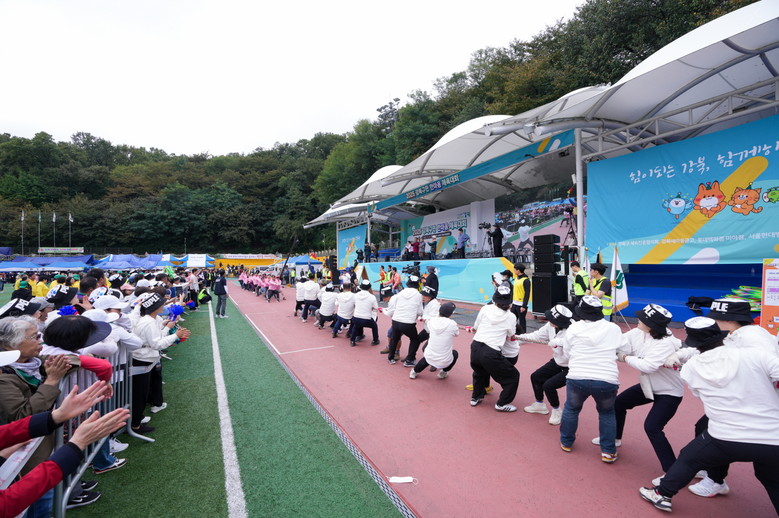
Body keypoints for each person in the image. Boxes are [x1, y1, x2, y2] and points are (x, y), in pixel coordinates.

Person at [639, 316, 779, 514]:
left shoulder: (691, 368)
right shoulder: (755, 354)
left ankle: (662, 494)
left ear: (693, 342)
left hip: (725, 436)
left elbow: (698, 393)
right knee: (772, 479)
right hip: (772, 435)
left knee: (688, 458)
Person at [609, 304, 684, 480]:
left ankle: (671, 472)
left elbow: (648, 366)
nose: (638, 320)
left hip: (668, 392)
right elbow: (619, 342)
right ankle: (615, 439)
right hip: (649, 386)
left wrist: (625, 357)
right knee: (619, 404)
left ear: (651, 325)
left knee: (652, 427)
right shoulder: (638, 332)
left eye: (642, 319)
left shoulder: (666, 343)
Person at [559, 296, 629, 463]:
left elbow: (567, 352)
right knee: (607, 413)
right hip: (606, 378)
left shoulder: (574, 328)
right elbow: (625, 349)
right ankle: (608, 451)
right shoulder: (613, 328)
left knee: (571, 409)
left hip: (577, 376)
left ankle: (566, 442)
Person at [467, 285, 519, 411]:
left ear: (495, 299)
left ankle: (476, 397)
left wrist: (474, 329)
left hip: (475, 347)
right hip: (491, 351)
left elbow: (476, 327)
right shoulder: (510, 316)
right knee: (513, 376)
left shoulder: (485, 308)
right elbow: (511, 335)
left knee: (479, 372)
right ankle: (502, 404)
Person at [520, 304, 574, 425]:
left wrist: (561, 343)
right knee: (536, 377)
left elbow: (575, 352)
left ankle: (557, 410)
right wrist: (518, 338)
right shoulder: (550, 325)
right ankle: (540, 404)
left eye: (552, 319)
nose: (548, 320)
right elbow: (536, 335)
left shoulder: (573, 331)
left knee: (549, 385)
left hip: (572, 367)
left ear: (560, 322)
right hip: (558, 361)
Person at [409, 302, 459, 380]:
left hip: (430, 356)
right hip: (445, 360)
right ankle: (443, 372)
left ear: (439, 311)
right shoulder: (452, 324)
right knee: (454, 353)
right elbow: (456, 334)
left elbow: (428, 322)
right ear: (450, 314)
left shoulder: (432, 321)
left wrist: (424, 320)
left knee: (428, 356)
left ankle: (414, 371)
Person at [384, 275, 424, 366]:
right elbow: (420, 311)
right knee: (414, 339)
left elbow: (394, 306)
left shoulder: (401, 293)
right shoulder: (418, 295)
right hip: (408, 322)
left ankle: (390, 358)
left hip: (396, 320)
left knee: (395, 338)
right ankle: (409, 360)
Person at [349, 280, 380, 346]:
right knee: (374, 326)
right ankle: (375, 340)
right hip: (367, 319)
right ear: (369, 287)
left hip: (356, 318)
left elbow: (352, 304)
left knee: (356, 325)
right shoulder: (372, 297)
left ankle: (352, 341)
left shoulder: (355, 295)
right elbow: (376, 308)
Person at [512, 264, 531, 334]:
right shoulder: (516, 278)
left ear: (518, 270)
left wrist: (524, 306)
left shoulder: (526, 280)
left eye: (515, 269)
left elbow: (527, 294)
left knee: (522, 321)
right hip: (514, 303)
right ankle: (514, 333)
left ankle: (523, 335)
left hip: (521, 304)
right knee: (512, 320)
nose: (514, 271)